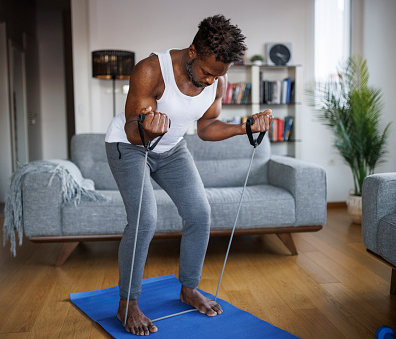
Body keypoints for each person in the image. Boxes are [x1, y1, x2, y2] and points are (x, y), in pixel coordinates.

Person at [105, 14, 272, 336]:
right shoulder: (151, 69)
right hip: (129, 146)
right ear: (193, 51)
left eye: (218, 76)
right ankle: (128, 302)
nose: (212, 81)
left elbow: (207, 128)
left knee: (199, 212)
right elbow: (130, 129)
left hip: (172, 150)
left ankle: (189, 288)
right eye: (208, 73)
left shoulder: (217, 81)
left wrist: (243, 127)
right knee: (144, 219)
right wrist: (145, 127)